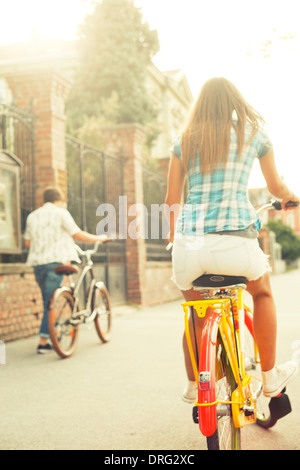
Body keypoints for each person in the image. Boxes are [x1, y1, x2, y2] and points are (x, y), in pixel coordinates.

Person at [164, 77, 299, 403]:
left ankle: (196, 385)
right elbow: (276, 188)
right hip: (237, 243)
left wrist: (173, 238)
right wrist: (292, 198)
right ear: (235, 102)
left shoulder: (184, 140)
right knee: (262, 292)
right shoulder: (254, 134)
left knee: (195, 310)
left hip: (190, 247)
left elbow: (171, 200)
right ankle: (269, 379)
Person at [24, 186, 110, 354]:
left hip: (37, 264)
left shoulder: (32, 216)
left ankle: (53, 332)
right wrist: (99, 238)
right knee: (51, 303)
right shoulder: (60, 212)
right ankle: (43, 341)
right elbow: (77, 234)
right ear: (58, 200)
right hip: (55, 262)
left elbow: (27, 243)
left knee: (47, 300)